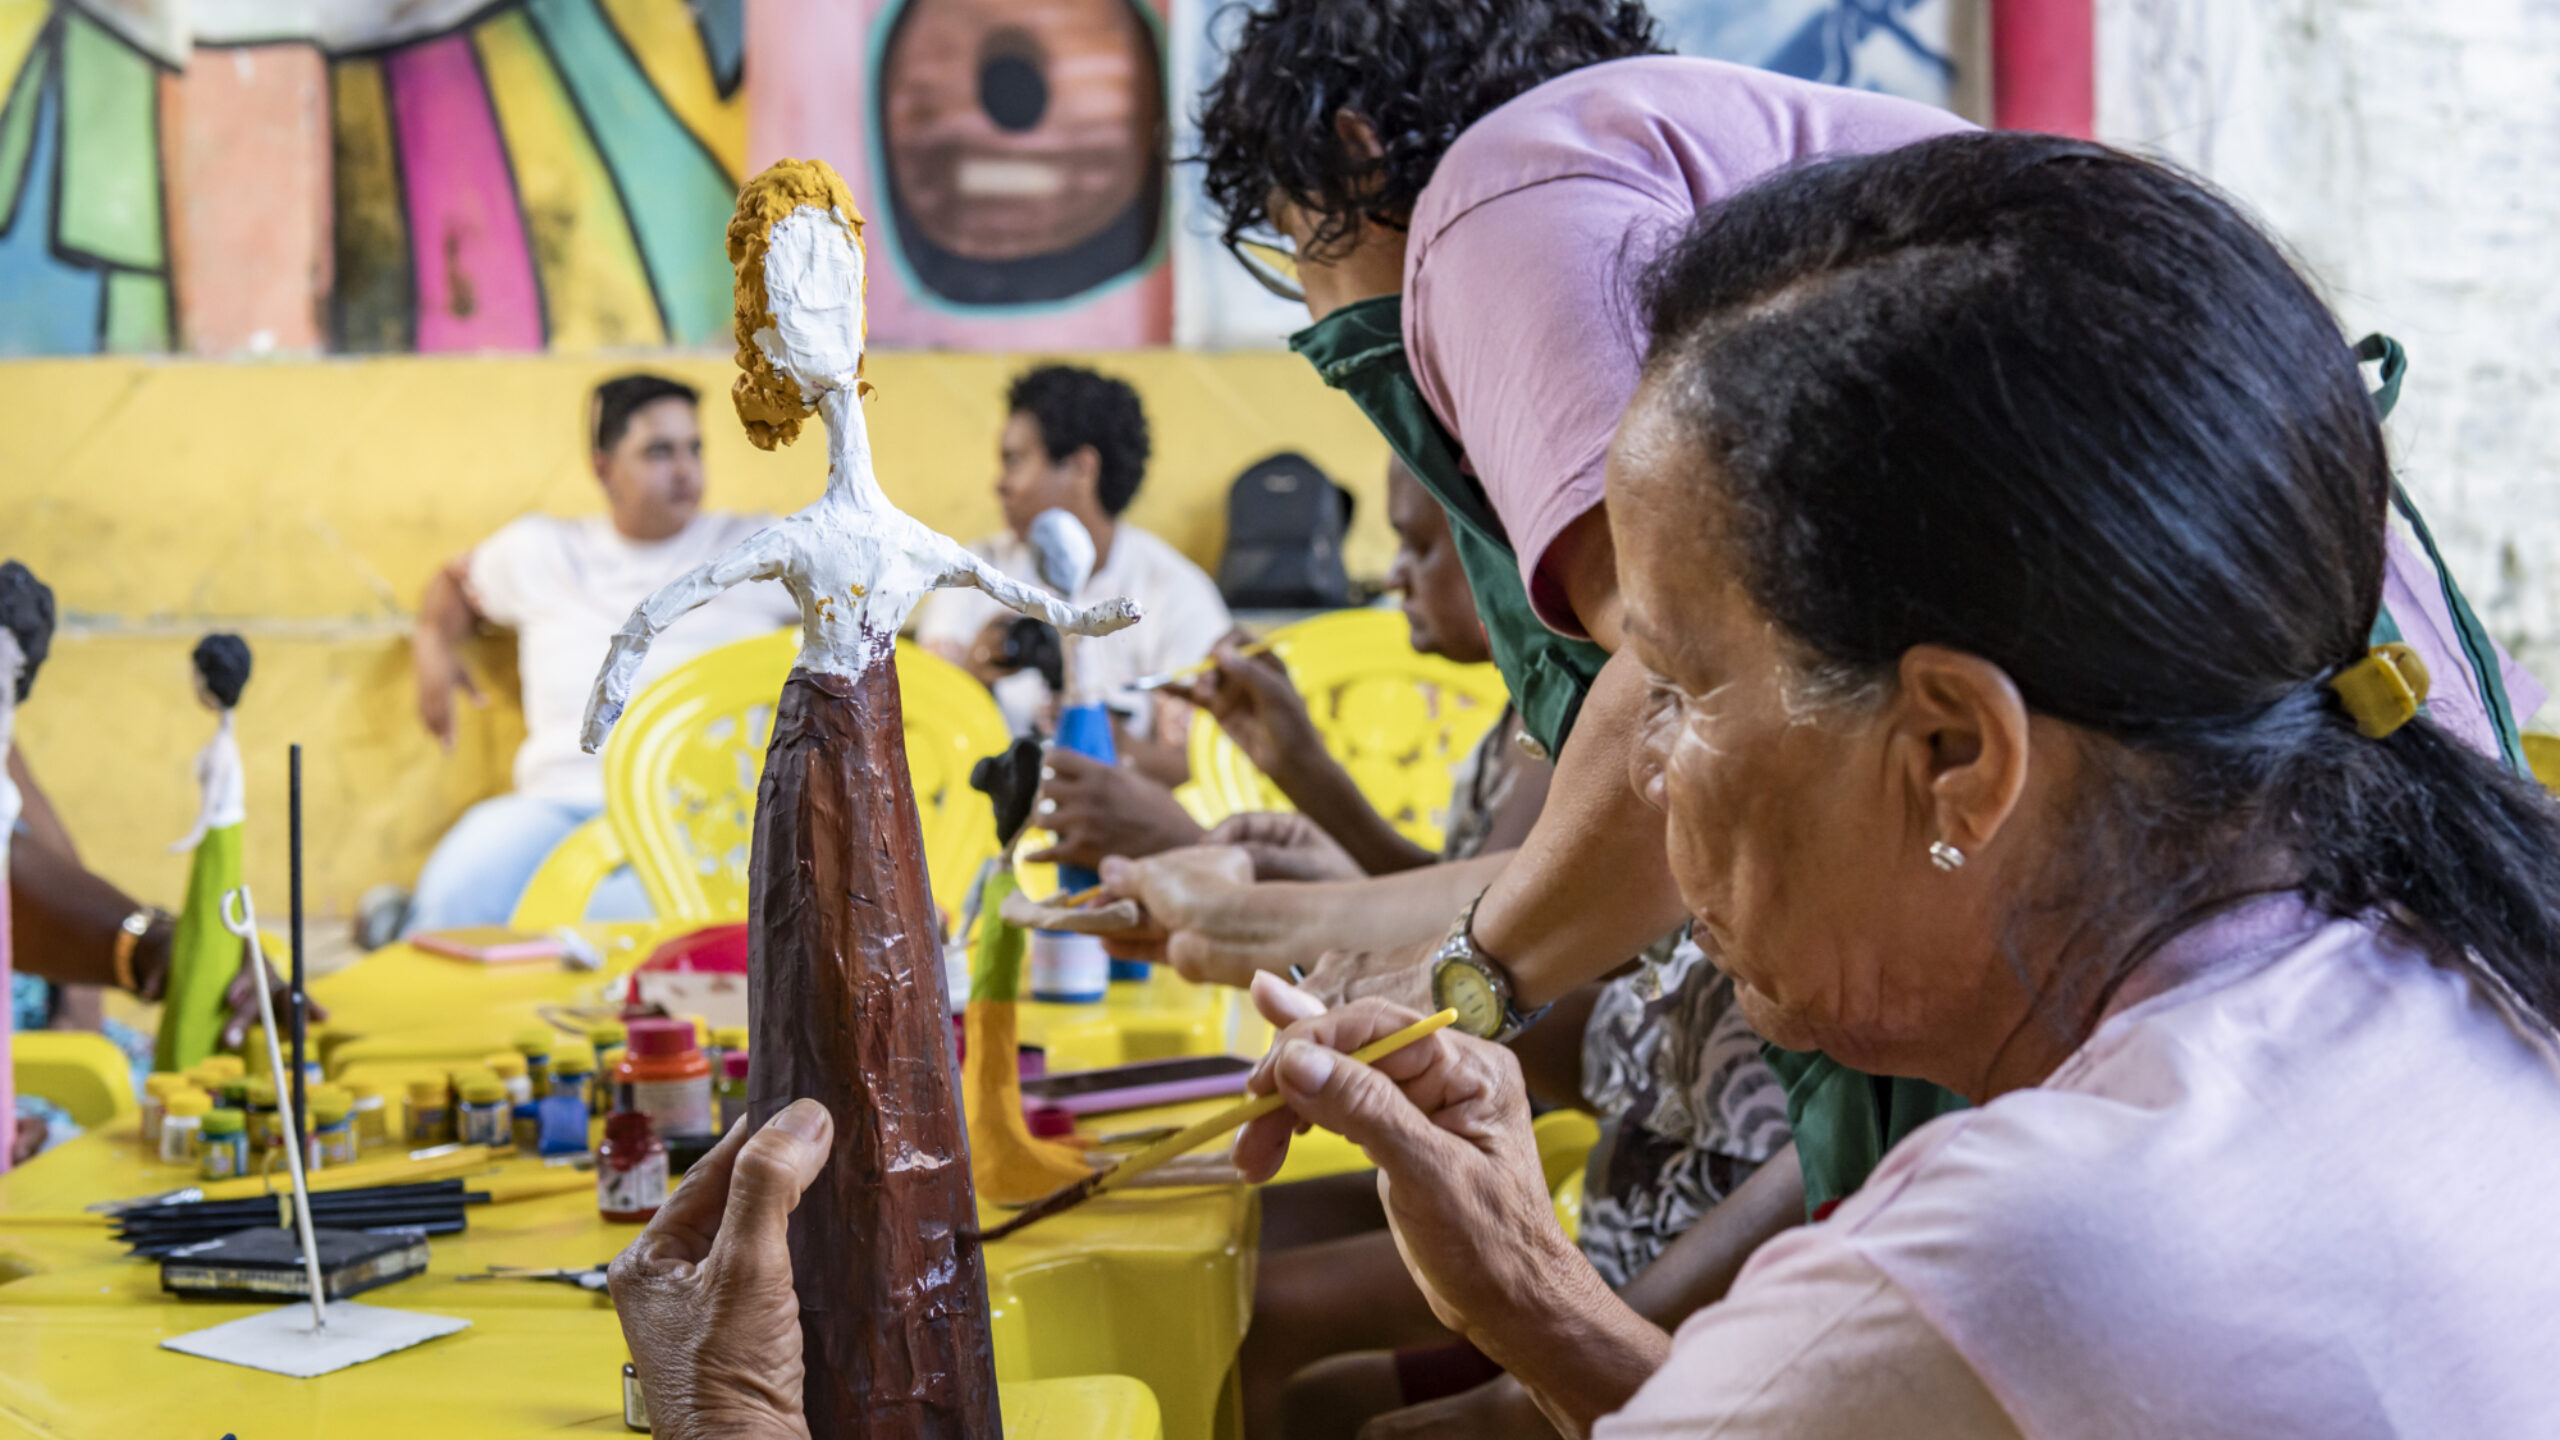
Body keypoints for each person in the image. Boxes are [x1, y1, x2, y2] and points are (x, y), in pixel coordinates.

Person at [613, 133, 2560, 1439]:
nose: (1637, 780)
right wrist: (1543, 1305)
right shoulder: (2440, 988)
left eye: (1680, 693)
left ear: (1953, 748)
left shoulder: (2042, 1247)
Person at [1179, 0, 2537, 1221]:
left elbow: (1657, 698)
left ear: (1350, 150)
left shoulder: (1497, 201)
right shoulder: (1683, 144)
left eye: (1285, 246)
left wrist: (1466, 982)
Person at [404, 374, 796, 932]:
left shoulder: (755, 550)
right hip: (558, 805)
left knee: (607, 926)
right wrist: (432, 640)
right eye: (659, 452)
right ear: (603, 467)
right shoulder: (544, 551)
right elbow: (454, 581)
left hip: (697, 815)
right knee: (450, 901)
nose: (686, 472)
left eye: (694, 449)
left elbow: (872, 594)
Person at [915, 364, 1231, 782]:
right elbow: (918, 739)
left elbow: (1205, 769)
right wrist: (972, 679)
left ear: (1082, 467)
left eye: (1014, 461)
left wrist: (1113, 743)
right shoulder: (973, 573)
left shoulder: (1172, 592)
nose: (1000, 484)